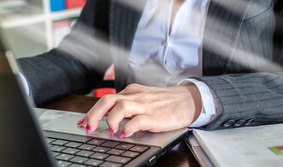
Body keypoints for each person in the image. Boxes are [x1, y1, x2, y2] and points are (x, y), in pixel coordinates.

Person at [17, 0, 283, 138]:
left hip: (232, 145)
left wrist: (197, 98)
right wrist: (9, 81)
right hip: (127, 141)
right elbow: (78, 58)